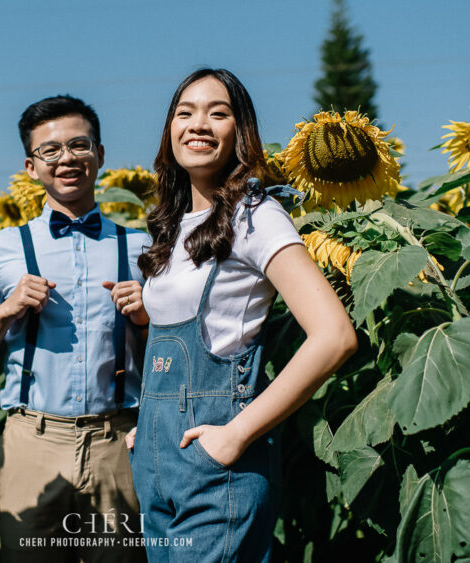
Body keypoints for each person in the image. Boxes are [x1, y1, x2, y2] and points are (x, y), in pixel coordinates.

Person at [127, 69, 358, 561]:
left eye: (218, 113)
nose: (199, 124)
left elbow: (334, 335)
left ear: (241, 132)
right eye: (185, 113)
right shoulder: (172, 228)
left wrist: (235, 435)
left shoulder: (255, 216)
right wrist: (149, 424)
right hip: (155, 464)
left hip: (218, 469)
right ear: (169, 131)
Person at [0, 95, 149, 563]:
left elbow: (173, 352)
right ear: (31, 166)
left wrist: (146, 320)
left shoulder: (142, 246)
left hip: (119, 443)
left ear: (99, 155)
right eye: (51, 150)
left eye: (79, 145)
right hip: (32, 443)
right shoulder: (1, 248)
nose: (67, 158)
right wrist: (7, 309)